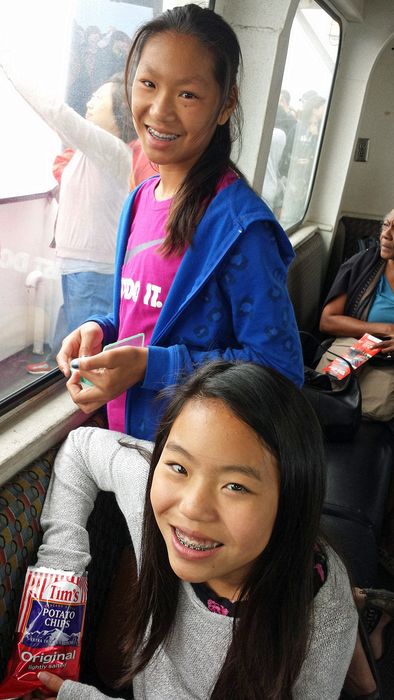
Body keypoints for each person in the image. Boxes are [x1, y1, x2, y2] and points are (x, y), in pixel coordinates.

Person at [31, 360, 357, 699]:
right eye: (178, 466)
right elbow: (82, 449)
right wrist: (61, 576)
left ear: (292, 501)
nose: (190, 508)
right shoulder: (152, 488)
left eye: (235, 486)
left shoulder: (321, 618)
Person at [57, 3, 304, 441]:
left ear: (225, 105)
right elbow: (149, 319)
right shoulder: (138, 201)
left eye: (187, 94)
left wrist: (151, 367)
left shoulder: (243, 229)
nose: (160, 110)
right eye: (148, 84)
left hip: (193, 460)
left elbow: (279, 372)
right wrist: (102, 328)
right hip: (128, 436)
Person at [1, 62, 155, 372]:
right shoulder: (88, 154)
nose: (89, 103)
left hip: (95, 272)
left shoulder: (112, 151)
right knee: (75, 349)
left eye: (98, 100)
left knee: (89, 362)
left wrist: (9, 65)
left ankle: (87, 407)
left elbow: (56, 112)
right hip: (78, 267)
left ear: (118, 116)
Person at [318, 210, 394, 421]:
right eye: (385, 225)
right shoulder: (362, 264)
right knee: (328, 389)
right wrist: (385, 329)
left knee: (373, 410)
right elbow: (328, 321)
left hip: (389, 359)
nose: (387, 234)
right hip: (356, 344)